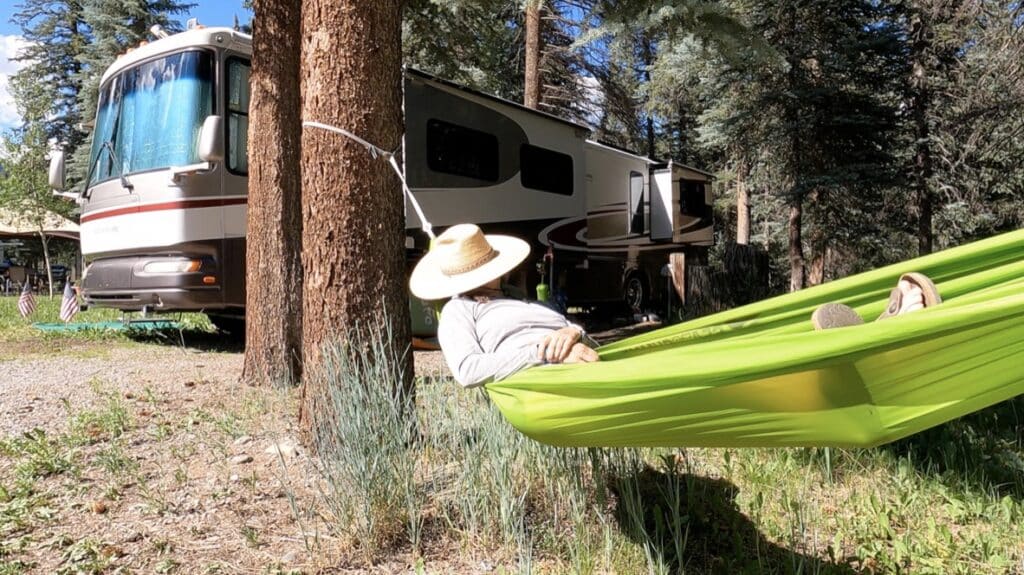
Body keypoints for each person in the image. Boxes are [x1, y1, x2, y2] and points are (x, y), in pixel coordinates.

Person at [410, 224, 942, 387]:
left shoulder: (508, 299)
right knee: (727, 363)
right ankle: (877, 340)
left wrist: (570, 333)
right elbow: (467, 372)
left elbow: (571, 336)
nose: (503, 272)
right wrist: (542, 352)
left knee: (724, 337)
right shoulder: (462, 313)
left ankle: (876, 331)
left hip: (593, 357)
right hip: (570, 381)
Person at [410, 224, 599, 387]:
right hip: (550, 376)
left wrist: (573, 331)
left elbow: (581, 337)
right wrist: (546, 354)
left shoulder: (519, 298)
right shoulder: (460, 308)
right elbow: (467, 370)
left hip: (588, 359)